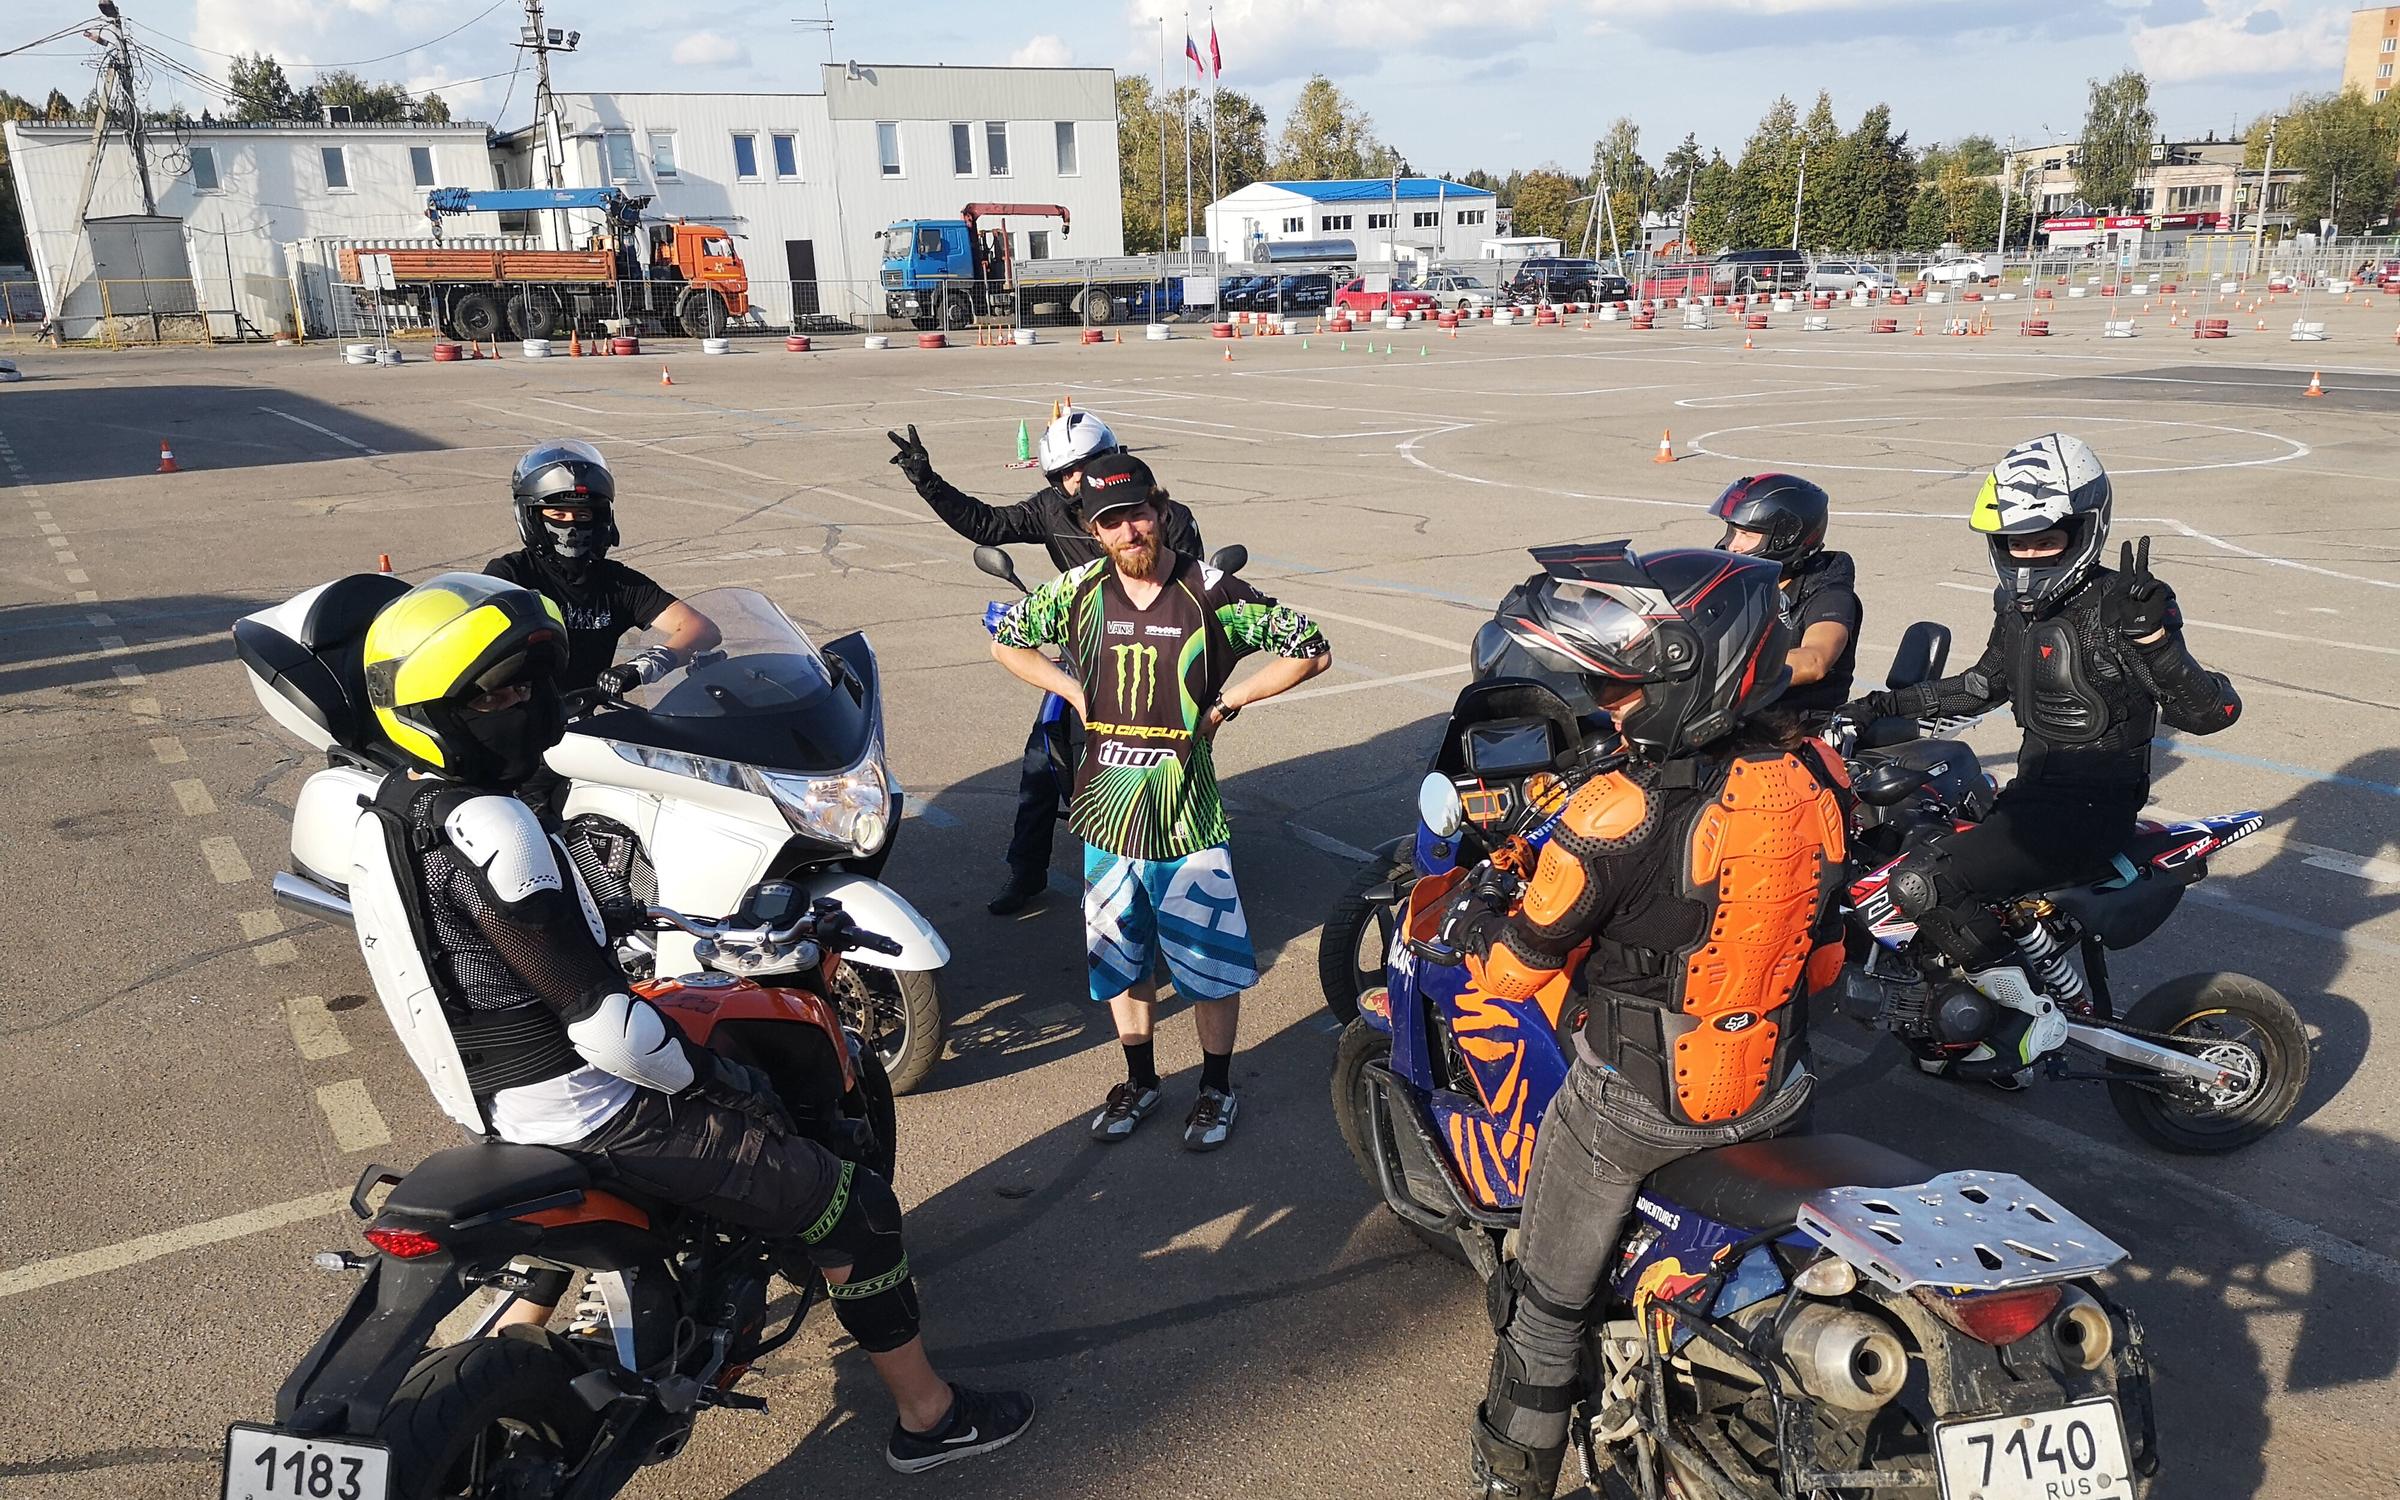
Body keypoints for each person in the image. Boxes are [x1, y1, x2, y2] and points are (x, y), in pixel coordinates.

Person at [353, 573, 1032, 1474]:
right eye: (501, 695)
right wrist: (715, 1079)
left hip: (493, 1106)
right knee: (852, 1209)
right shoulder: (496, 828)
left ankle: (541, 1323)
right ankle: (930, 1418)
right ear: (434, 713)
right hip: (592, 1106)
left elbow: (474, 958)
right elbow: (605, 1026)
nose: (531, 706)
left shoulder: (385, 814)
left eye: (533, 684)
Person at [1455, 544, 1847, 1499]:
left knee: (1544, 1304)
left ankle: (1511, 1476)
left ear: (1691, 680)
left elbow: (1512, 976)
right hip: (1780, 1095)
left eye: (1619, 687)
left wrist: (1478, 920)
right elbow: (1827, 963)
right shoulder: (1821, 779)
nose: (1606, 705)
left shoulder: (1616, 811)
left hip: (1633, 1113)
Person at [1843, 433, 2241, 1075]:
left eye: (2044, 539)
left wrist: (2157, 643)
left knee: (1922, 884)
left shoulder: (2128, 606)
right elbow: (1981, 686)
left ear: (2086, 529)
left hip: (2090, 809)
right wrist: (1870, 709)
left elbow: (2211, 713)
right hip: (2028, 799)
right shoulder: (2017, 608)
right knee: (1902, 842)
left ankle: (2027, 1025)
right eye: (2014, 541)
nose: (2026, 555)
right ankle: (1958, 1021)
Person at [986, 452, 1329, 1150]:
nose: (1129, 531)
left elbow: (1311, 649)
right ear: (1093, 530)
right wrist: (1072, 690)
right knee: (1122, 961)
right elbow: (1006, 641)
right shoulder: (1077, 590)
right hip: (1105, 819)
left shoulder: (1213, 591)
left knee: (1208, 968)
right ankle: (1140, 1081)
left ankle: (1216, 1088)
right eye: (1111, 522)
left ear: (1162, 511)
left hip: (1187, 822)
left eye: (1138, 514)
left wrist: (1227, 702)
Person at [890, 412, 1207, 916]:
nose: (1074, 480)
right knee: (1040, 765)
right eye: (1063, 473)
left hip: (1154, 664)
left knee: (1167, 774)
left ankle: (1182, 875)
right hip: (1083, 662)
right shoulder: (1051, 509)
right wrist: (927, 480)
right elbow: (987, 523)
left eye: (1083, 466)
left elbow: (1196, 593)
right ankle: (1026, 871)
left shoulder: (1164, 517)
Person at [482, 439, 720, 697]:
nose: (572, 527)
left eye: (582, 515)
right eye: (558, 515)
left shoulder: (617, 583)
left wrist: (645, 665)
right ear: (532, 519)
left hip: (591, 715)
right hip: (522, 713)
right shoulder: (511, 575)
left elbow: (701, 629)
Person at [1709, 472, 1861, 725]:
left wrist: (1728, 671)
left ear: (1785, 539)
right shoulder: (1747, 584)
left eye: (1747, 535)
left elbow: (1815, 660)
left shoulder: (1829, 595)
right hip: (1739, 717)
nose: (1733, 545)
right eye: (1733, 531)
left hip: (1797, 729)